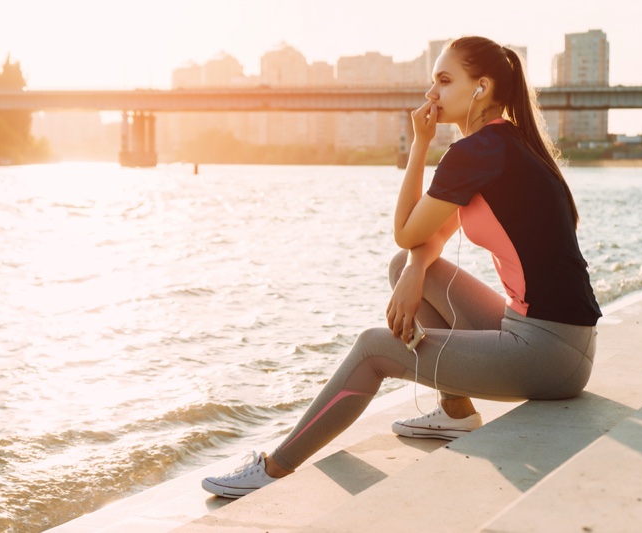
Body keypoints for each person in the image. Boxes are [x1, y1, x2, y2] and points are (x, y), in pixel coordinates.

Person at [202, 35, 602, 499]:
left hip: (548, 354)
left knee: (375, 349)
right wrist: (414, 270)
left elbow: (407, 230)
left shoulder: (476, 153)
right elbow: (424, 241)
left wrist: (420, 145)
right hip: (563, 341)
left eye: (445, 80)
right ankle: (455, 414)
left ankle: (273, 468)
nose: (431, 92)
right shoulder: (502, 146)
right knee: (404, 267)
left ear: (482, 88)